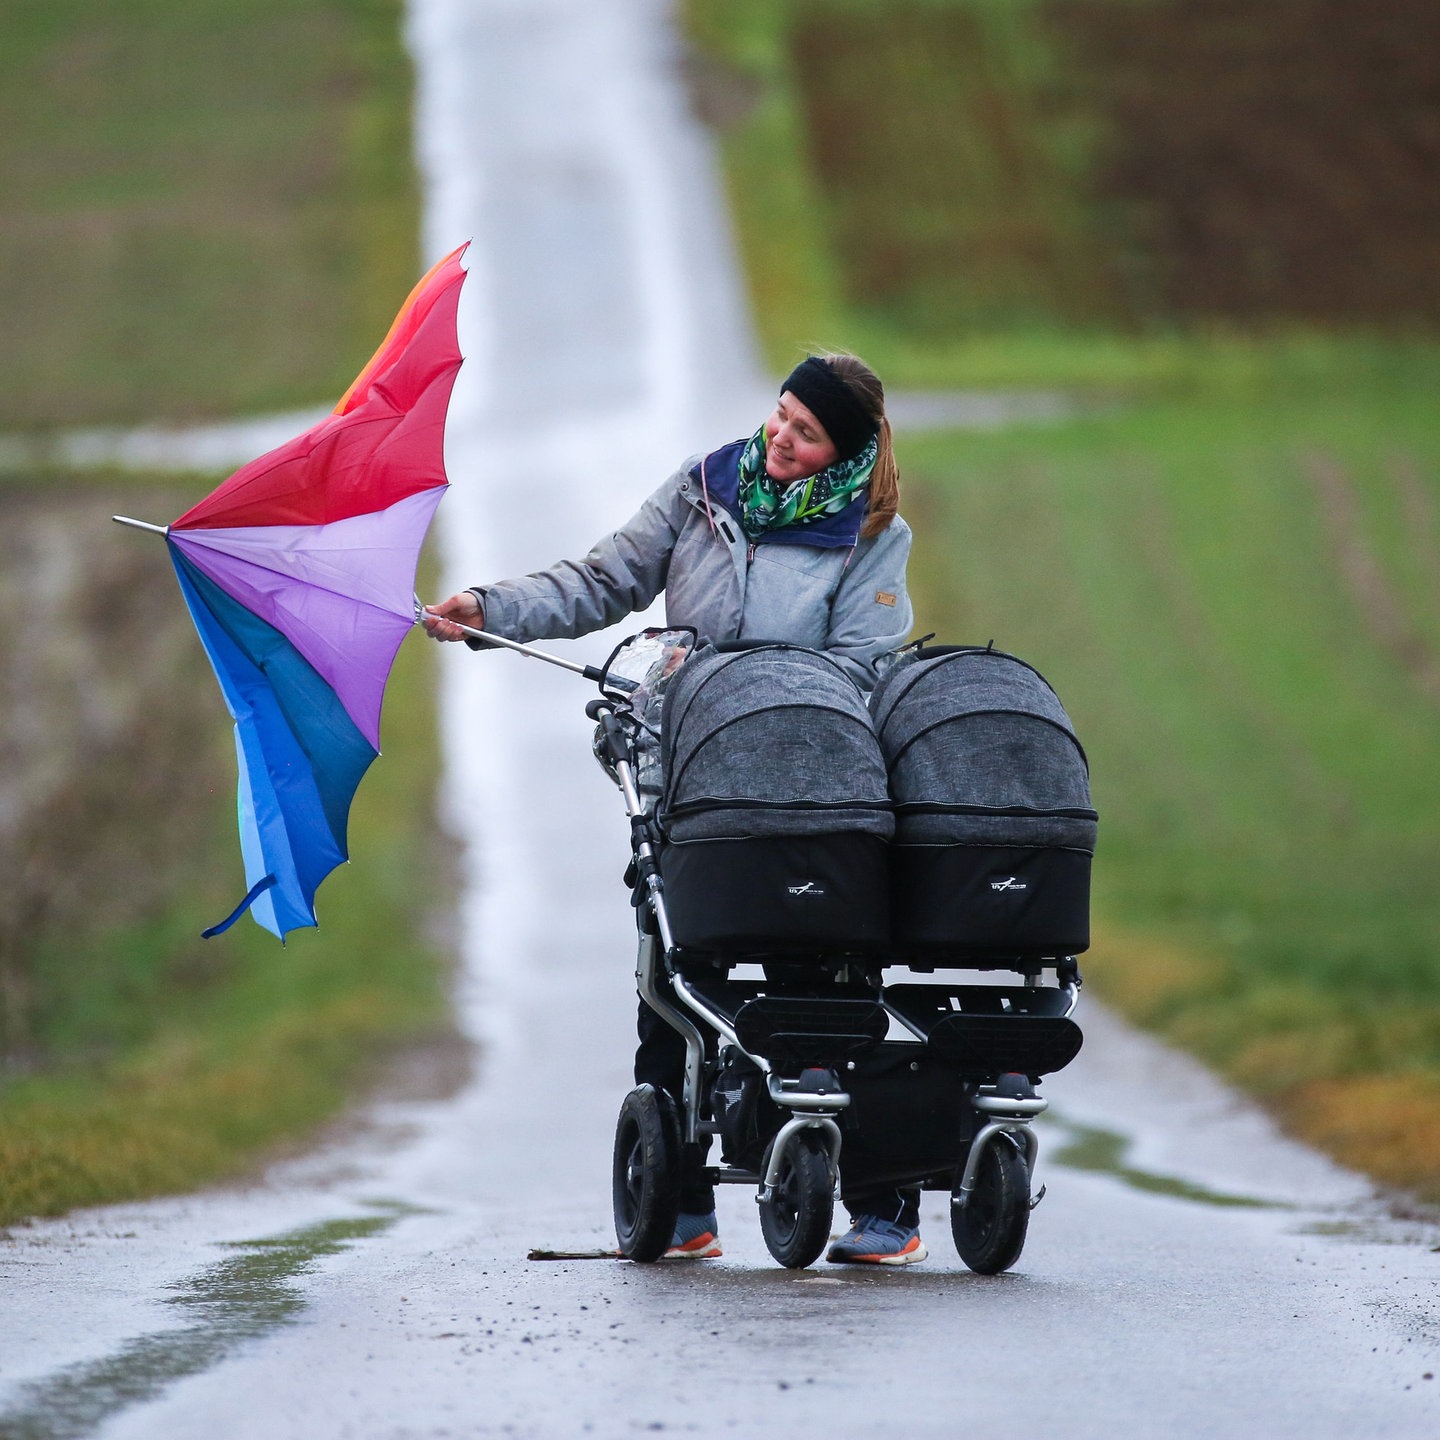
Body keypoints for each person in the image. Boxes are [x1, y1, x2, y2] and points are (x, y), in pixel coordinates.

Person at [425, 353, 927, 1266]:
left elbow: (865, 665)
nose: (780, 437)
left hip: (812, 780)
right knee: (676, 967)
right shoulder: (704, 490)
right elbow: (603, 578)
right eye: (780, 415)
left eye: (806, 433)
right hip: (689, 775)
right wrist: (489, 608)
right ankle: (683, 1203)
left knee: (836, 970)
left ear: (844, 453)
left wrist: (748, 688)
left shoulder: (871, 535)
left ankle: (883, 1203)